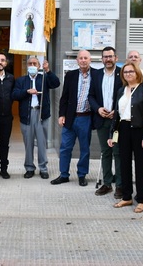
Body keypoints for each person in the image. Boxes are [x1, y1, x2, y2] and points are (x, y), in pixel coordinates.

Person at [108, 63, 143, 213]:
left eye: (131, 71)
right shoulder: (121, 90)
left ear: (137, 73)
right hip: (123, 130)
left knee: (141, 166)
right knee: (124, 165)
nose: (128, 74)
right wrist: (112, 134)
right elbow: (116, 114)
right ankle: (127, 197)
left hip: (140, 131)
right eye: (125, 72)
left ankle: (141, 199)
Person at [12, 56, 60, 180]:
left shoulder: (44, 78)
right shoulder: (21, 80)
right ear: (27, 66)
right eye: (30, 63)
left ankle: (43, 168)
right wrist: (26, 92)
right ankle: (29, 167)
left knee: (42, 142)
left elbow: (56, 83)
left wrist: (48, 70)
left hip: (41, 114)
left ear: (38, 66)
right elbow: (14, 94)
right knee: (28, 143)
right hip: (27, 115)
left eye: (35, 63)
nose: (32, 65)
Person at [51, 50, 93, 187]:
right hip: (70, 118)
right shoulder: (71, 75)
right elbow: (64, 97)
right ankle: (64, 175)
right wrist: (61, 115)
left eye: (85, 58)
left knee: (85, 148)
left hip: (85, 118)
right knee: (65, 147)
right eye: (80, 58)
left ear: (90, 60)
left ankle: (82, 175)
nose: (83, 60)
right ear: (77, 60)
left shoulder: (97, 75)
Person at [88, 47, 122, 197]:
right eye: (105, 57)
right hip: (102, 120)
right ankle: (107, 183)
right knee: (106, 152)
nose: (108, 59)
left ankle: (120, 185)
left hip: (117, 121)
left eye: (111, 56)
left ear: (116, 57)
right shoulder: (95, 74)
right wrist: (98, 109)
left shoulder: (122, 73)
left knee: (118, 152)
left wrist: (117, 110)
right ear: (102, 59)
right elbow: (91, 96)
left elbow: (126, 95)